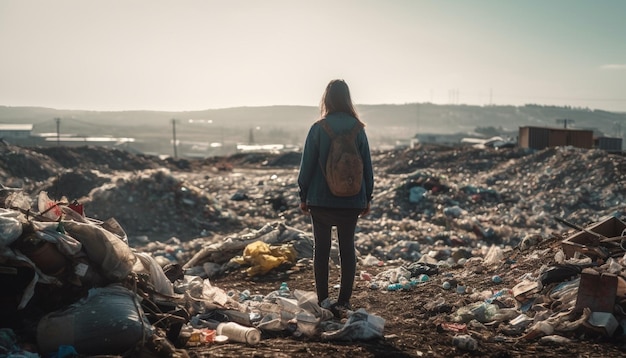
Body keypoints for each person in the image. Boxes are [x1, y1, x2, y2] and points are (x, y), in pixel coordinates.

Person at [297, 79, 374, 318]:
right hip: (351, 200)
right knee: (347, 248)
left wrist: (304, 194)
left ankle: (323, 300)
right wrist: (367, 197)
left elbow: (306, 165)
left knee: (321, 249)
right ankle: (344, 301)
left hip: (320, 200)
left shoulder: (319, 128)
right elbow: (367, 167)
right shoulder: (358, 129)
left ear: (326, 99)